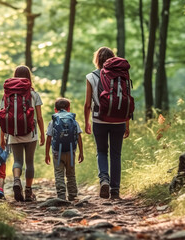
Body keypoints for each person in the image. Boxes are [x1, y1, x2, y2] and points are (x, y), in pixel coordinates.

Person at [84, 47, 130, 200]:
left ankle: (104, 179)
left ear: (97, 60)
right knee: (116, 154)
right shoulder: (123, 75)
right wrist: (126, 124)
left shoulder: (91, 77)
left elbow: (87, 104)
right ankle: (115, 190)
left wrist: (86, 122)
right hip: (119, 120)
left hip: (99, 119)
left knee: (102, 151)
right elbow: (126, 100)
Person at [0, 66, 45, 202]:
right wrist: (43, 134)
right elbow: (40, 117)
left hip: (13, 133)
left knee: (18, 160)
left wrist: (2, 137)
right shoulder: (33, 94)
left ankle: (17, 181)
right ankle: (28, 192)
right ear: (28, 77)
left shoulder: (7, 95)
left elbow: (2, 116)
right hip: (30, 133)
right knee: (29, 162)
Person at [45, 98, 84, 201]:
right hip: (71, 151)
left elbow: (49, 138)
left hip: (57, 152)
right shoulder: (73, 120)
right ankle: (72, 195)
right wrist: (81, 152)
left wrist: (47, 154)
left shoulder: (53, 121)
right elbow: (79, 137)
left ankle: (61, 196)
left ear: (55, 109)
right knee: (71, 174)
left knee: (59, 174)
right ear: (68, 108)